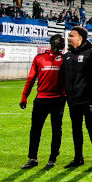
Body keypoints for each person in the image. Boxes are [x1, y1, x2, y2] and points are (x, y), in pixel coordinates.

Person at [20, 34, 67, 169]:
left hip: (58, 99)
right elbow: (31, 78)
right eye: (60, 41)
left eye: (63, 42)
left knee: (56, 129)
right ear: (52, 43)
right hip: (41, 99)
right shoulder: (39, 58)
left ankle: (53, 158)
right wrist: (24, 96)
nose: (62, 44)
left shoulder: (65, 59)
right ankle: (32, 158)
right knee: (35, 129)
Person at [61, 26, 92, 168]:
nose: (68, 38)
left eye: (71, 36)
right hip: (72, 100)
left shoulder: (91, 54)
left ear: (80, 38)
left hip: (88, 99)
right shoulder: (67, 56)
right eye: (69, 36)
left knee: (91, 127)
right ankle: (78, 158)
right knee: (76, 129)